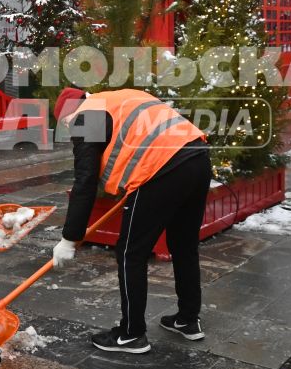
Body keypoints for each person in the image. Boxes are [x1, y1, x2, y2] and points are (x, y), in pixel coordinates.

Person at [52, 88, 210, 353]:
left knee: (130, 253)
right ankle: (187, 320)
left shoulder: (86, 117)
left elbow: (85, 181)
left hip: (160, 169)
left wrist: (69, 239)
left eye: (66, 124)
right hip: (197, 157)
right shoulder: (117, 99)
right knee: (184, 245)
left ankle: (131, 334)